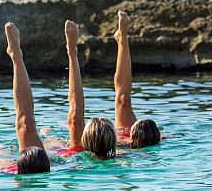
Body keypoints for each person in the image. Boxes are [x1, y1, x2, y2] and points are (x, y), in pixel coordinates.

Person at [65, 19, 117, 159]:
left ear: (84, 139)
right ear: (114, 142)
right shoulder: (127, 156)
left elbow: (76, 115)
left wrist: (72, 53)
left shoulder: (77, 152)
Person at [5, 22, 51, 174]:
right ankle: (16, 55)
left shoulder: (5, 169)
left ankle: (16, 56)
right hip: (39, 166)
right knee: (26, 124)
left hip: (23, 167)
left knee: (26, 123)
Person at [113, 10, 162, 148]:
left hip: (126, 141)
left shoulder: (120, 143)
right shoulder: (161, 138)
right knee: (124, 100)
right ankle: (123, 37)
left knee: (123, 100)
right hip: (136, 139)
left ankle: (122, 38)